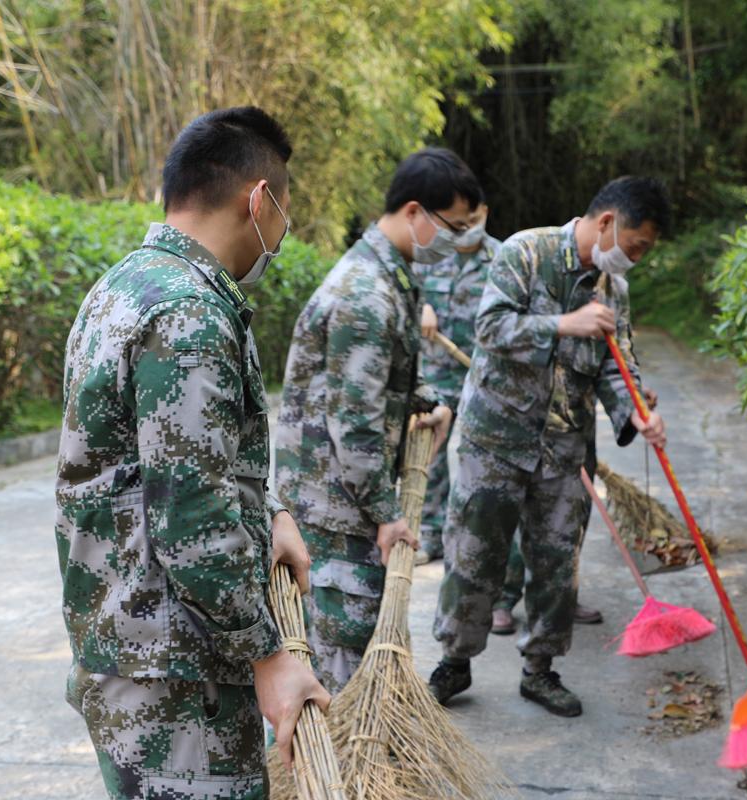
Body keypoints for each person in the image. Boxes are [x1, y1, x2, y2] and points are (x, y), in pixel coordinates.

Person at [55, 107, 330, 800]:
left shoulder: (122, 287)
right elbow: (192, 513)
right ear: (258, 199)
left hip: (130, 650)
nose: (283, 233)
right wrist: (266, 654)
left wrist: (269, 517)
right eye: (285, 212)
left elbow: (169, 464)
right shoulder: (190, 314)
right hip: (175, 676)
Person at [429, 176, 670, 717]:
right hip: (495, 440)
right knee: (474, 555)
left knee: (557, 563)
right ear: (607, 222)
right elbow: (490, 328)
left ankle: (540, 670)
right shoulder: (526, 252)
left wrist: (637, 411)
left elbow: (617, 363)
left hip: (564, 447)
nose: (635, 260)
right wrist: (565, 324)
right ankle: (455, 661)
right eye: (636, 247)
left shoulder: (614, 290)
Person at [275, 148, 477, 692]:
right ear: (415, 212)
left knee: (346, 648)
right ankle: (328, 774)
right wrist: (388, 515)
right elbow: (354, 419)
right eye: (452, 227)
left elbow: (376, 383)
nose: (457, 240)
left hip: (346, 493)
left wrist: (424, 400)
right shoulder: (366, 294)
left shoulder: (388, 279)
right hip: (334, 503)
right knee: (343, 657)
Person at [414, 200, 500, 563]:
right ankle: (431, 534)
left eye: (474, 219)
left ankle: (477, 543)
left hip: (485, 375)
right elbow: (405, 289)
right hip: (437, 372)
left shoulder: (502, 258)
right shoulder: (433, 252)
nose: (467, 226)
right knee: (431, 454)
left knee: (483, 459)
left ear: (485, 212)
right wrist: (422, 305)